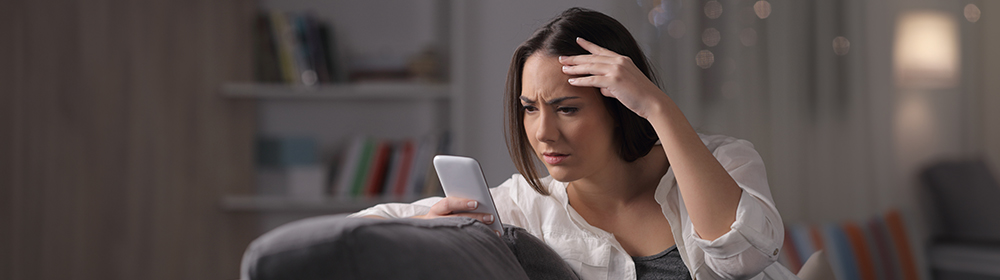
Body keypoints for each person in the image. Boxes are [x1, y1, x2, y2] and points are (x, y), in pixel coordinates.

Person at [352, 7, 796, 280]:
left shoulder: (724, 160)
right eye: (529, 108)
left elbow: (744, 257)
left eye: (567, 109)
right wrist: (428, 233)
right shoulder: (524, 206)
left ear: (622, 107)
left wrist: (660, 109)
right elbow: (358, 232)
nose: (543, 133)